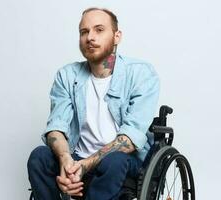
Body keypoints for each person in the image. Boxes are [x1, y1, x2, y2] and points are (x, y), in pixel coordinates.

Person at [27, 7, 160, 200]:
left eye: (99, 30)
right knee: (39, 156)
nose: (90, 37)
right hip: (77, 159)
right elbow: (57, 127)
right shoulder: (67, 76)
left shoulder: (141, 74)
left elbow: (131, 138)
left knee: (114, 161)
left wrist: (85, 165)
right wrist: (66, 160)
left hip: (122, 162)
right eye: (84, 32)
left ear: (117, 36)